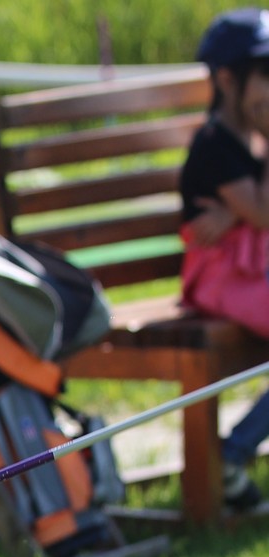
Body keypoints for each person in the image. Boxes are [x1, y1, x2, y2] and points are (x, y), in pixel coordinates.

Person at [180, 7, 269, 509]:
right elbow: (264, 213)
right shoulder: (216, 142)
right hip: (222, 278)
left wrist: (240, 217)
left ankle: (235, 454)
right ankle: (231, 455)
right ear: (228, 79)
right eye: (266, 74)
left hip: (251, 267)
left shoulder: (247, 136)